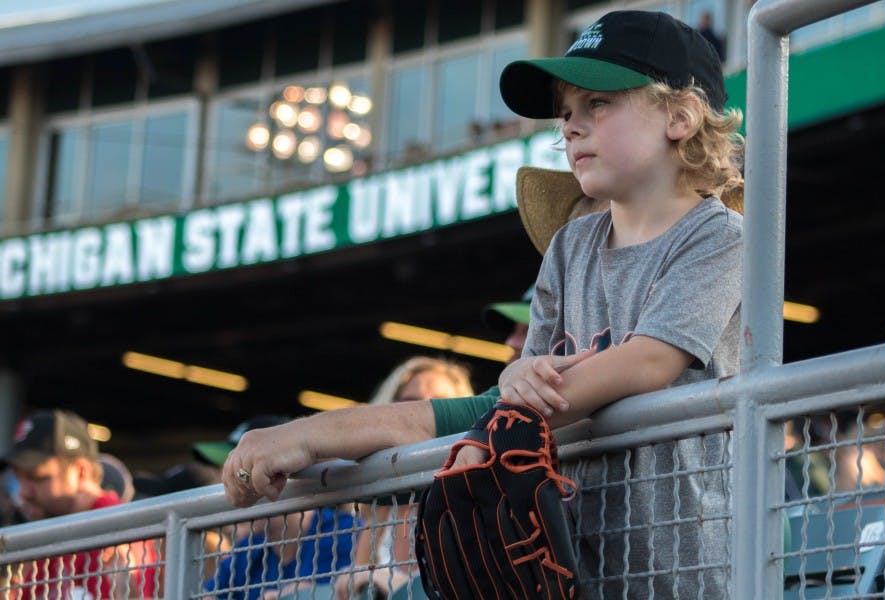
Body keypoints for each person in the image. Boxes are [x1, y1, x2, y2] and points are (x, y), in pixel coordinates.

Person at [226, 9, 743, 597]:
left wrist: (502, 417)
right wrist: (518, 378)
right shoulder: (571, 246)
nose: (570, 127)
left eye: (597, 104)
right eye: (566, 113)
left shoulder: (719, 234)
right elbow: (517, 394)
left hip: (683, 569)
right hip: (573, 566)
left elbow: (647, 363)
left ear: (680, 115)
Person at [335, 357, 473, 600]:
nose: (421, 412)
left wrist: (396, 586)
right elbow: (358, 580)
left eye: (439, 403)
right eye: (410, 402)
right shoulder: (380, 508)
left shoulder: (468, 500)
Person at [1, 408, 159, 598]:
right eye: (19, 479)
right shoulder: (52, 531)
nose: (23, 492)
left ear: (81, 471)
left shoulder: (121, 527)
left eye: (37, 478)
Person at [202, 415, 358, 600]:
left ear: (282, 472)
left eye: (243, 474)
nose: (234, 490)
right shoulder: (248, 550)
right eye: (230, 477)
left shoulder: (342, 532)